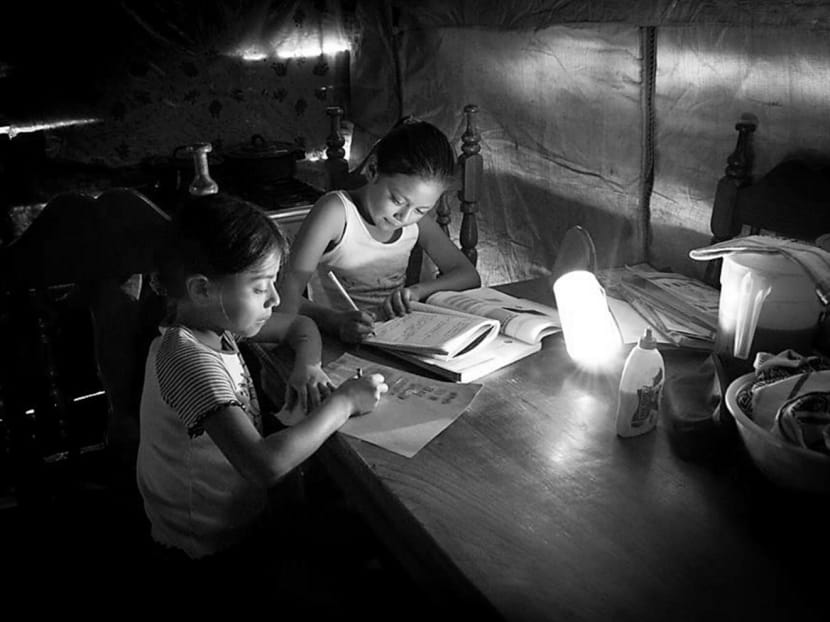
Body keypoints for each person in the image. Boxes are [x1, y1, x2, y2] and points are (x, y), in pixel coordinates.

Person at [136, 193, 388, 566]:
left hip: (241, 513)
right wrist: (344, 402)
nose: (274, 298)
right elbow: (262, 466)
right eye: (259, 287)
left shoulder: (215, 326)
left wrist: (308, 366)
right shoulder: (186, 359)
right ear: (203, 289)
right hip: (204, 547)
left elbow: (301, 324)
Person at [278, 117, 481, 343]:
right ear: (373, 170)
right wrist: (334, 321)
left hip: (395, 340)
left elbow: (468, 275)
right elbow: (284, 293)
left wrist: (418, 291)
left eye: (421, 210)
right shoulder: (336, 213)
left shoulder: (414, 222)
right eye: (396, 200)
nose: (403, 217)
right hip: (330, 342)